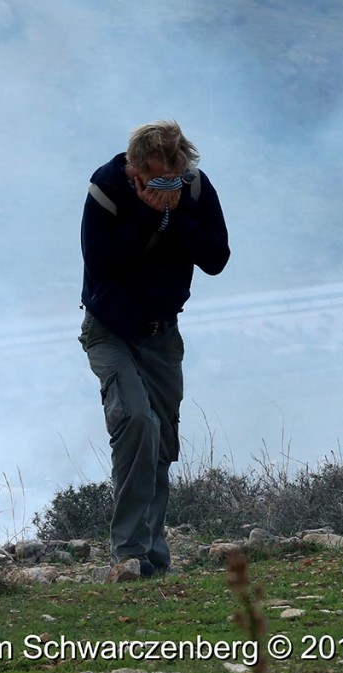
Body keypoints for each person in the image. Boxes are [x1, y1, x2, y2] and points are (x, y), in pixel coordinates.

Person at [78, 120, 230, 577]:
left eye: (176, 176)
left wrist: (174, 213)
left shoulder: (194, 189)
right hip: (110, 330)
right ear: (136, 170)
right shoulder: (106, 190)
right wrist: (147, 216)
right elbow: (103, 265)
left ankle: (153, 558)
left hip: (162, 334)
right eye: (159, 179)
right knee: (135, 423)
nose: (170, 185)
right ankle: (128, 553)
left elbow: (217, 258)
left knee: (161, 442)